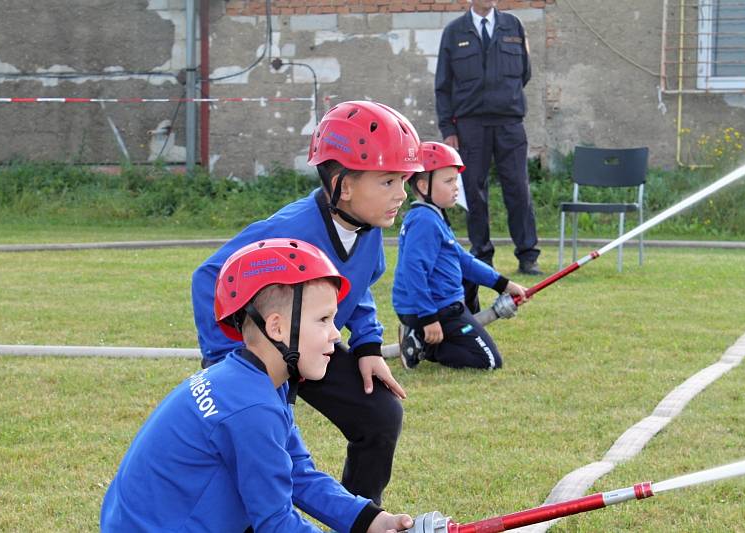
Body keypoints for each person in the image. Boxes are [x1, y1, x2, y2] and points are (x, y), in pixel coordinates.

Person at [191, 101, 424, 505]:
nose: (401, 195)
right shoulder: (289, 229)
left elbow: (358, 285)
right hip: (270, 352)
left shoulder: (368, 227)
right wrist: (229, 361)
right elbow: (208, 277)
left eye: (403, 181)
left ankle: (361, 516)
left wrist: (368, 345)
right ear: (343, 186)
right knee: (266, 451)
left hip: (316, 344)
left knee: (380, 415)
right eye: (388, 182)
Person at [101, 239, 414, 532]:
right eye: (323, 320)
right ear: (276, 327)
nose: (336, 334)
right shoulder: (252, 407)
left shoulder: (250, 382)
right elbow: (275, 523)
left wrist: (371, 520)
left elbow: (298, 473)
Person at [435, 0, 542, 314]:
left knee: (518, 190)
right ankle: (482, 257)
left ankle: (528, 256)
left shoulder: (513, 26)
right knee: (474, 193)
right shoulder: (455, 32)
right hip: (470, 125)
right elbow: (443, 85)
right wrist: (447, 129)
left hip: (509, 123)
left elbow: (524, 72)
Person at [393, 141, 528, 370]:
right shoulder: (425, 221)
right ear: (424, 185)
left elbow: (464, 261)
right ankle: (424, 344)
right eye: (448, 181)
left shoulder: (433, 216)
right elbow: (413, 271)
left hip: (442, 304)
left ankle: (444, 334)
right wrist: (428, 318)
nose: (456, 187)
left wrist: (503, 284)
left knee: (468, 278)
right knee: (489, 361)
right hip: (433, 310)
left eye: (456, 180)